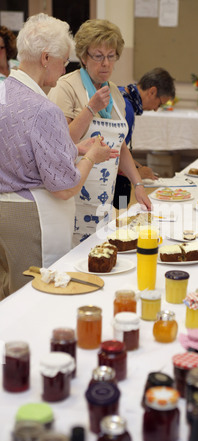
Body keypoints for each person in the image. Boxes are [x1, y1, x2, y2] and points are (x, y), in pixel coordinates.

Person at [0, 14, 113, 299]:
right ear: (46, 57)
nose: (65, 68)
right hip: (30, 217)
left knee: (7, 295)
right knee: (34, 296)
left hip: (4, 210)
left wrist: (74, 148)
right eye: (64, 60)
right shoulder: (43, 108)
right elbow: (65, 188)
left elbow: (17, 149)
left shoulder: (3, 90)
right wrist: (91, 158)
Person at [48, 19, 152, 244]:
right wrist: (90, 109)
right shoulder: (65, 87)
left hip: (104, 198)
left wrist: (139, 185)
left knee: (100, 255)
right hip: (72, 197)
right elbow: (60, 143)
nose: (105, 63)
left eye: (111, 55)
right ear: (84, 57)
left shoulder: (114, 93)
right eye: (98, 56)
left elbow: (120, 144)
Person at [114, 67, 176, 209]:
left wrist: (139, 167)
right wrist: (137, 174)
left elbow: (121, 147)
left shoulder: (120, 92)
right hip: (113, 182)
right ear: (152, 91)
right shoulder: (127, 109)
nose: (155, 109)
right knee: (119, 217)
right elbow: (113, 154)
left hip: (114, 178)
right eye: (159, 103)